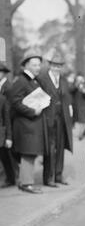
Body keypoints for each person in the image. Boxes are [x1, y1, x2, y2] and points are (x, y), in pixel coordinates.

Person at [10, 49, 47, 194]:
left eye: (39, 65)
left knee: (30, 153)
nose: (38, 67)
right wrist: (32, 111)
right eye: (34, 65)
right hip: (26, 125)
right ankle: (26, 183)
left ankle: (25, 181)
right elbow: (15, 101)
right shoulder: (21, 80)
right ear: (26, 65)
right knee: (28, 154)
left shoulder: (33, 81)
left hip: (31, 125)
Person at [38, 49, 73, 187]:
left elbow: (67, 98)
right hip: (48, 118)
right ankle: (48, 178)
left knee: (60, 148)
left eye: (59, 66)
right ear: (50, 65)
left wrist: (70, 112)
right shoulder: (43, 79)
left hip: (62, 119)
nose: (56, 68)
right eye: (54, 65)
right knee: (50, 148)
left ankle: (58, 176)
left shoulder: (64, 81)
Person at [0, 63, 16, 187]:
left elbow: (9, 111)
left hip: (6, 125)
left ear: (3, 73)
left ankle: (11, 177)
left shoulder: (9, 87)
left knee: (8, 156)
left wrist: (8, 134)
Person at [73, 73, 85, 140]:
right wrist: (76, 85)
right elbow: (70, 90)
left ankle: (80, 134)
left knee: (83, 121)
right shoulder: (75, 85)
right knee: (81, 121)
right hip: (77, 106)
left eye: (81, 79)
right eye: (78, 79)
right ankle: (83, 131)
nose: (80, 80)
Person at [0, 91, 14, 188]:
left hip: (1, 136)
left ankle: (11, 179)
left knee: (5, 159)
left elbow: (7, 119)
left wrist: (9, 137)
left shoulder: (2, 99)